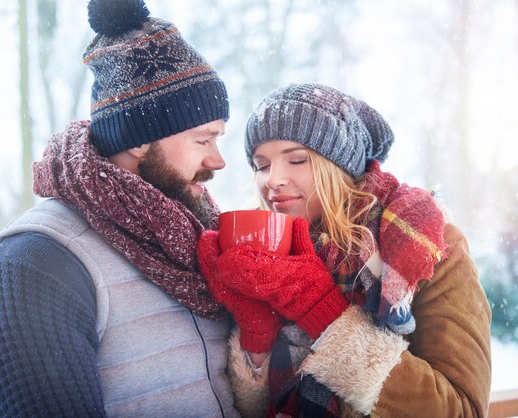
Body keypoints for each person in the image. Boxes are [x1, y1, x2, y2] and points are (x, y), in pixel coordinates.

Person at [0, 0, 239, 416]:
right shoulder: (36, 266)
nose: (217, 161)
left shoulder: (194, 242)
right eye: (202, 140)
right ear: (138, 141)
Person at [197, 83, 492, 417]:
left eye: (296, 160)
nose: (273, 179)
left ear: (340, 166)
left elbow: (462, 410)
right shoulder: (271, 254)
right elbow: (255, 410)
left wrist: (325, 314)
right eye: (261, 165)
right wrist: (257, 338)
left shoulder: (427, 246)